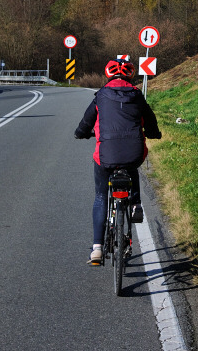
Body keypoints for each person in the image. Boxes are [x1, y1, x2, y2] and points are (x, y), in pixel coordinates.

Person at [73, 56, 161, 265]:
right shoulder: (137, 95)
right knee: (132, 164)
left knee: (101, 197)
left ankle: (97, 249)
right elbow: (150, 120)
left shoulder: (101, 96)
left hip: (106, 154)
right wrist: (154, 133)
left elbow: (86, 122)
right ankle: (136, 204)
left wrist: (80, 133)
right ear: (129, 75)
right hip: (133, 152)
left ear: (108, 75)